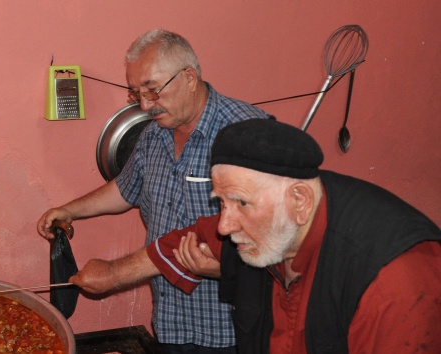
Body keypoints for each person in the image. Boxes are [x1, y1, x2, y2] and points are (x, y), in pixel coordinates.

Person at [69, 118, 441, 353]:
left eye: (241, 204)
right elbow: (187, 239)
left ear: (299, 201)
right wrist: (114, 274)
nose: (225, 226)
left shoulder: (396, 279)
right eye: (222, 202)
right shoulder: (269, 221)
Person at [37, 29, 272, 353]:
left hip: (230, 331)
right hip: (171, 323)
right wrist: (70, 210)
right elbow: (126, 189)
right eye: (136, 93)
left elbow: (275, 240)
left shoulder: (246, 133)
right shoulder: (153, 135)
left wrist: (115, 273)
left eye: (153, 90)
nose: (146, 104)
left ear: (189, 78)